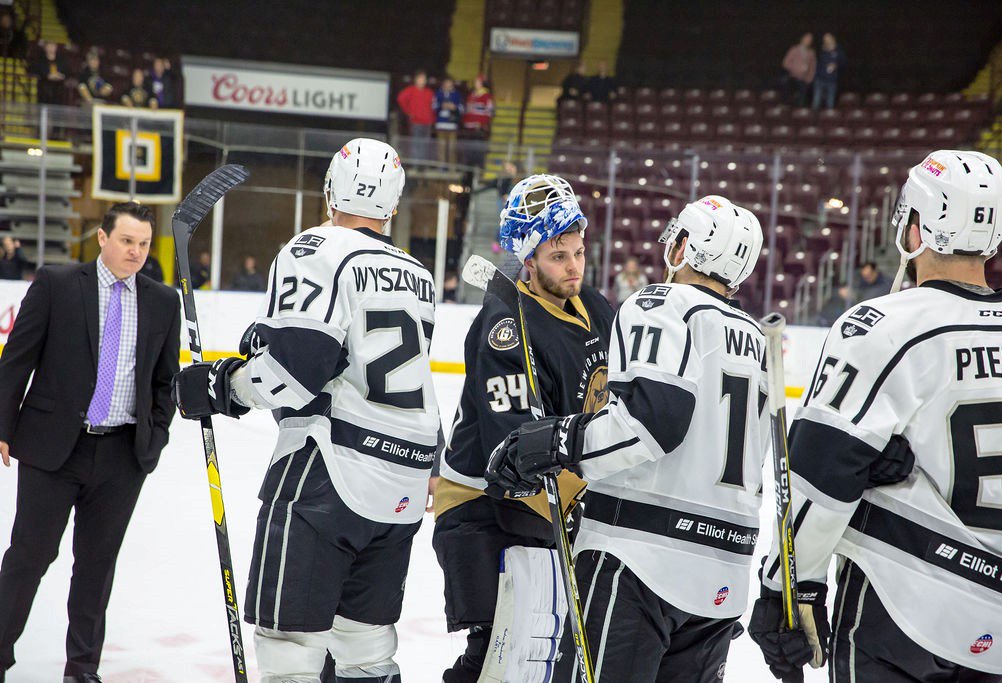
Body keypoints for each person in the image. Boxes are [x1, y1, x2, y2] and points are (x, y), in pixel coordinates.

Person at [749, 150, 1002, 681]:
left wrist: (787, 588)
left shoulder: (883, 326)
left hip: (902, 606)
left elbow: (818, 472)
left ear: (918, 225)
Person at [173, 138, 439, 683]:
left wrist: (222, 386)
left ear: (329, 191)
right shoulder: (419, 273)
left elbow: (295, 370)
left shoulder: (315, 248)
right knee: (366, 652)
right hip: (403, 483)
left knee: (290, 649)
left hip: (328, 472)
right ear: (393, 203)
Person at [486, 194, 767, 681]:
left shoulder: (662, 303)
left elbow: (648, 423)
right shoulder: (757, 339)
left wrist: (557, 442)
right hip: (726, 569)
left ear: (684, 248)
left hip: (643, 559)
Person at [432, 173, 614, 682]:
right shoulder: (504, 329)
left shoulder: (594, 307)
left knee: (548, 656)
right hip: (483, 506)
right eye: (559, 257)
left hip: (557, 500)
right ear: (528, 260)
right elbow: (511, 455)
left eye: (578, 252)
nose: (574, 266)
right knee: (501, 654)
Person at [0, 202, 181, 682]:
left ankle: (82, 669)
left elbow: (165, 383)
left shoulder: (163, 301)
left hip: (122, 455)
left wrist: (154, 438)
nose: (136, 252)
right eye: (126, 241)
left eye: (143, 244)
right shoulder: (58, 285)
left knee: (97, 567)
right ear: (102, 238)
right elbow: (17, 360)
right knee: (29, 556)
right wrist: (3, 426)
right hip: (53, 447)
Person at [396, 70, 435, 162]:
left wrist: (432, 118)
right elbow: (400, 99)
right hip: (416, 121)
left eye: (424, 79)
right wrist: (408, 112)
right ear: (416, 80)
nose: (422, 81)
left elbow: (433, 105)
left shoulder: (429, 92)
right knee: (416, 143)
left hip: (427, 121)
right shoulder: (411, 90)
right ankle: (416, 163)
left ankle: (423, 163)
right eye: (421, 79)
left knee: (425, 143)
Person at [461, 75, 494, 169]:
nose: (476, 83)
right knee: (469, 149)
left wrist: (482, 123)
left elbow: (489, 111)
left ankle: (479, 166)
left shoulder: (486, 96)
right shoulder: (472, 95)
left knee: (478, 148)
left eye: (478, 82)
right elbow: (467, 109)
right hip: (469, 126)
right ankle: (469, 166)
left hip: (479, 127)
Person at [433, 77, 463, 168]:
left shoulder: (457, 95)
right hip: (441, 125)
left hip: (452, 125)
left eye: (450, 85)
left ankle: (451, 167)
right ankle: (441, 167)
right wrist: (441, 106)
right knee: (441, 147)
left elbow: (462, 108)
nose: (448, 87)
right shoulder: (438, 94)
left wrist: (454, 107)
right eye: (446, 85)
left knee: (451, 148)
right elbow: (433, 106)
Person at [812, 33, 844, 111]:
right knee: (816, 102)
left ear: (833, 39)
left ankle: (829, 120)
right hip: (820, 79)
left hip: (832, 81)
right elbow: (815, 63)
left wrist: (836, 65)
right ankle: (813, 121)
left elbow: (843, 63)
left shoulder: (839, 51)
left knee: (830, 103)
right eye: (825, 39)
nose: (827, 41)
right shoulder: (820, 51)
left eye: (828, 39)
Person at [782, 33, 816, 107]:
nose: (808, 41)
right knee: (788, 93)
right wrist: (796, 69)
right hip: (793, 77)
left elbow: (813, 67)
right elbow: (785, 63)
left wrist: (810, 78)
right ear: (802, 39)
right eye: (806, 39)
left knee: (801, 100)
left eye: (810, 40)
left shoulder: (811, 53)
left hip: (804, 79)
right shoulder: (794, 50)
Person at [30, 41, 68, 105]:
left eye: (53, 46)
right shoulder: (40, 60)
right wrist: (47, 75)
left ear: (56, 48)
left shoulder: (62, 60)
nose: (51, 48)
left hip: (58, 87)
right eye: (49, 46)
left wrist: (62, 76)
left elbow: (67, 72)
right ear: (45, 48)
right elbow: (36, 70)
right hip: (45, 86)